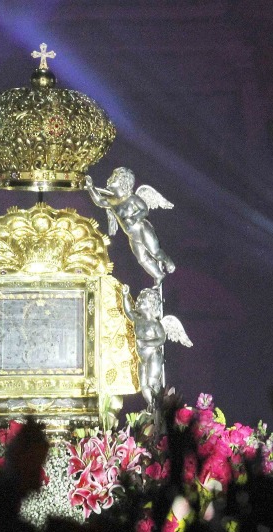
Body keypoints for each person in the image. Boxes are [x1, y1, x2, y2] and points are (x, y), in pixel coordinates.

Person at [85, 167, 175, 286]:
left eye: (114, 178)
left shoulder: (132, 199)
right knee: (142, 259)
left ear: (123, 182)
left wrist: (135, 217)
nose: (109, 180)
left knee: (155, 252)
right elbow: (100, 201)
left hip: (142, 229)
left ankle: (167, 260)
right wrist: (91, 187)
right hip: (132, 236)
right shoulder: (112, 202)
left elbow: (144, 210)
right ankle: (158, 275)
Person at [122, 285, 192, 413]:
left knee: (152, 381)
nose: (138, 302)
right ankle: (152, 407)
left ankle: (161, 406)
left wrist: (145, 342)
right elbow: (128, 312)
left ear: (150, 304)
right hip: (142, 359)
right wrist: (125, 295)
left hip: (153, 355)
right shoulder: (138, 319)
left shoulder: (155, 323)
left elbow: (161, 339)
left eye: (142, 301)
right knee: (143, 385)